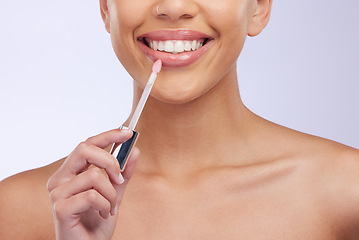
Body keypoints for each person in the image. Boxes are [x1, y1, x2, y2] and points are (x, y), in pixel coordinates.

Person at [1, 0, 359, 239]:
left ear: (259, 8)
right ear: (106, 8)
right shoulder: (17, 212)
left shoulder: (346, 193)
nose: (173, 7)